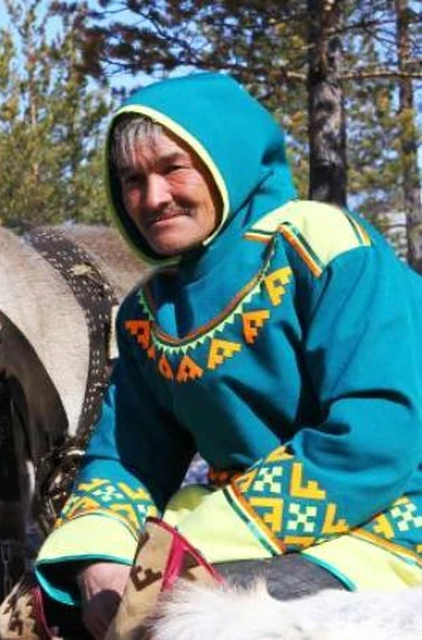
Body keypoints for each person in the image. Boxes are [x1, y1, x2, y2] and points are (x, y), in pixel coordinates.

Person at [34, 72, 422, 638]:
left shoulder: (325, 246)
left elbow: (376, 433)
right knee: (42, 618)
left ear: (226, 162)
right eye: (132, 180)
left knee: (186, 621)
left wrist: (186, 544)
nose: (153, 197)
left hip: (386, 518)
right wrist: (103, 558)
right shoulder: (147, 311)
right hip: (235, 530)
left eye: (172, 169)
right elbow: (126, 459)